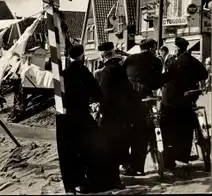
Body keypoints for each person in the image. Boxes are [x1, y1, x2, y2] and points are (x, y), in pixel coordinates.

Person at [58, 44, 123, 193]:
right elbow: (97, 94)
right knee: (96, 146)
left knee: (72, 151)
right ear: (82, 55)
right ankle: (94, 182)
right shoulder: (83, 71)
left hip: (67, 118)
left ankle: (74, 183)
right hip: (82, 116)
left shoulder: (63, 73)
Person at [160, 37, 209, 170]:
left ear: (177, 49)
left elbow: (167, 78)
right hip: (189, 100)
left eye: (174, 48)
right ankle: (185, 155)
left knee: (168, 126)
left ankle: (169, 159)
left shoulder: (174, 63)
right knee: (187, 126)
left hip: (174, 101)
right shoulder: (193, 61)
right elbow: (204, 74)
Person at [122, 38, 163, 175]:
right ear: (152, 48)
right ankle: (138, 167)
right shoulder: (157, 61)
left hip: (130, 99)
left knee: (127, 130)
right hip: (146, 99)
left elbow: (122, 77)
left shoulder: (130, 59)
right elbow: (157, 83)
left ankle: (126, 164)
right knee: (144, 131)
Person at [96, 42, 136, 173]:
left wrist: (100, 109)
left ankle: (111, 169)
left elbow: (104, 95)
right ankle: (125, 164)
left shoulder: (105, 72)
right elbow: (129, 90)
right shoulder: (120, 69)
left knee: (108, 139)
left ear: (103, 56)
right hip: (123, 111)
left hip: (110, 112)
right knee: (123, 139)